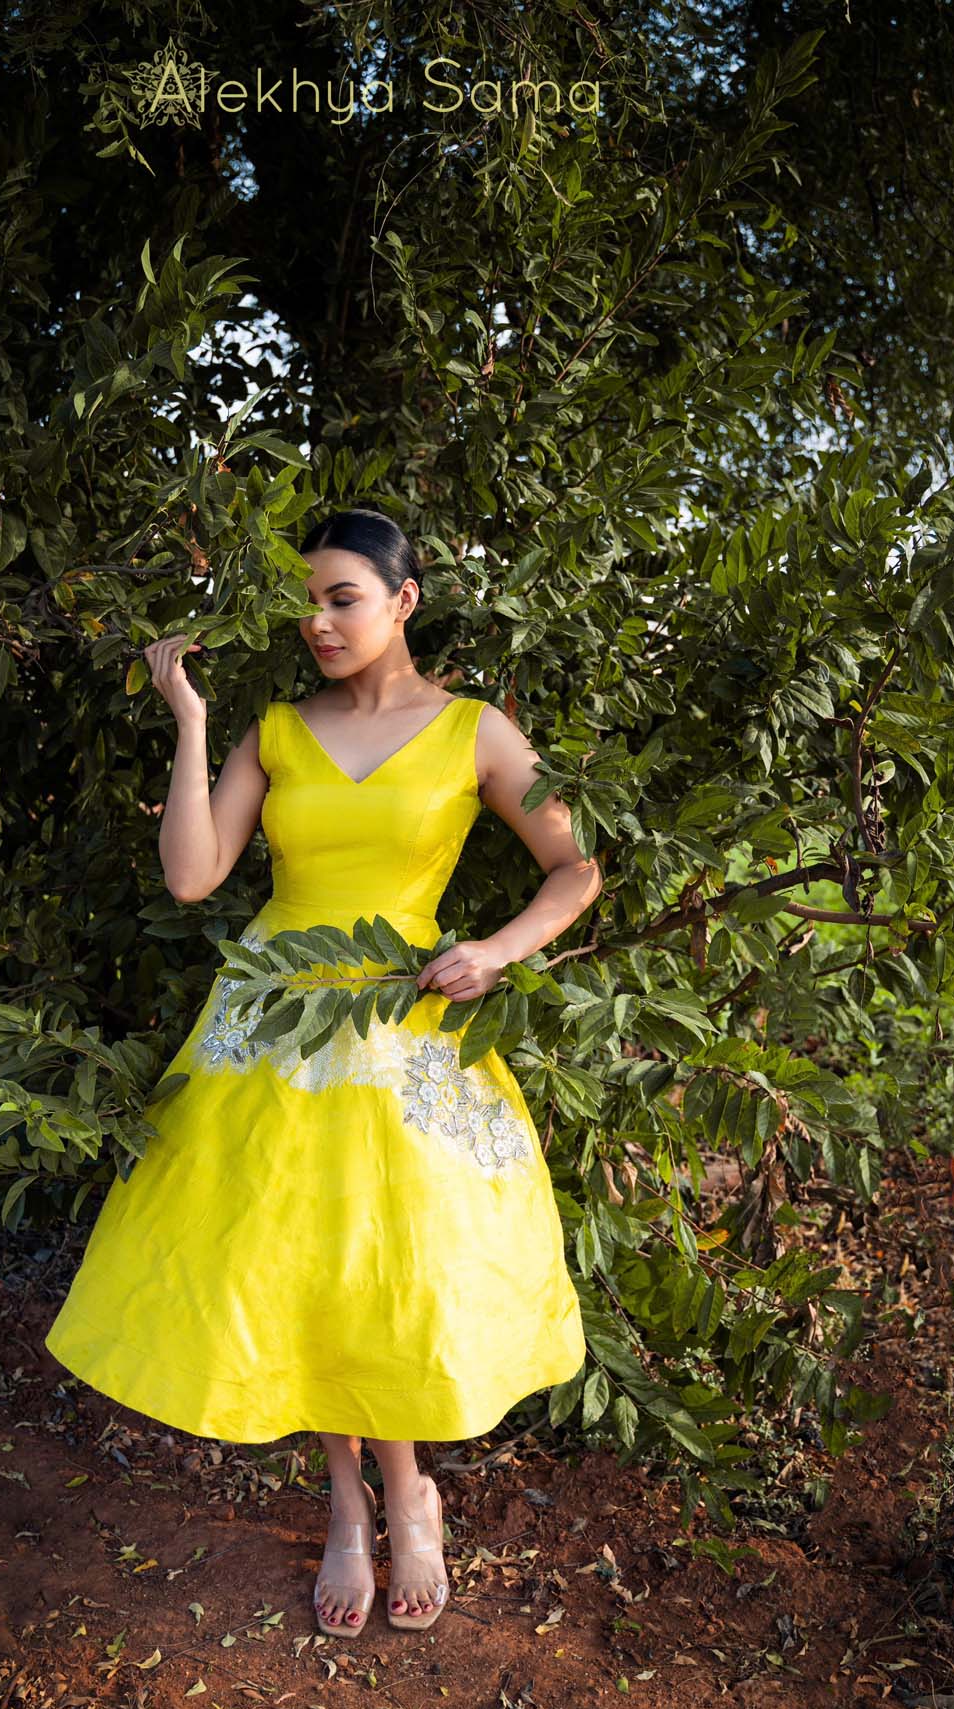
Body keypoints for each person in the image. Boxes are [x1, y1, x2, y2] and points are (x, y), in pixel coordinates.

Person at [44, 506, 601, 1637]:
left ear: (402, 602)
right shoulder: (278, 731)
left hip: (401, 1028)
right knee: (293, 1266)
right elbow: (195, 879)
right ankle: (355, 1500)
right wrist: (192, 722)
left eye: (343, 598)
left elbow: (575, 866)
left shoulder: (472, 732)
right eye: (308, 602)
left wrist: (491, 950)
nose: (320, 620)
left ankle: (409, 1491)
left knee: (376, 1269)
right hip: (270, 1028)